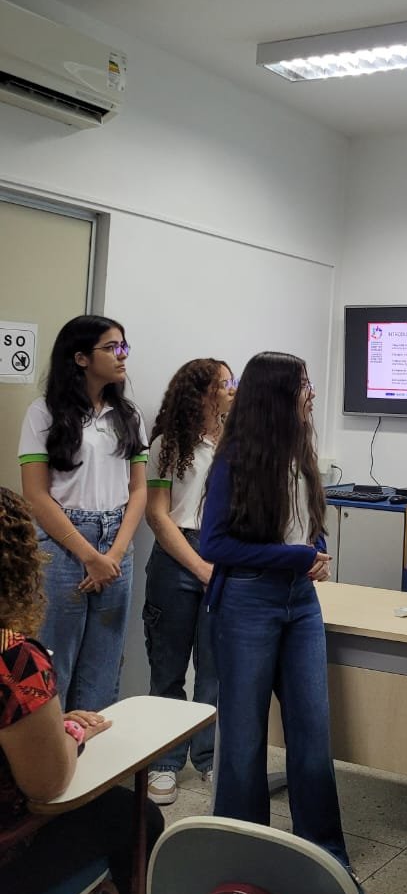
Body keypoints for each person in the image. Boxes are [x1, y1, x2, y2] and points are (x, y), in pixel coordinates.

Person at [0, 485, 164, 894]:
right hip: (8, 858)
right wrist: (69, 735)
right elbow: (48, 785)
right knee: (136, 817)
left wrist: (43, 723)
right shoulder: (14, 663)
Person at [199, 351, 347, 864]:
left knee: (313, 733)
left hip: (300, 602)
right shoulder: (235, 458)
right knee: (243, 739)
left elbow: (306, 524)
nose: (312, 393)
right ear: (277, 395)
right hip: (247, 600)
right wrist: (296, 556)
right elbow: (214, 545)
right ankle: (245, 855)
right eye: (303, 384)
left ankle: (325, 855)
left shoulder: (300, 451)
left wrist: (315, 549)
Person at [18, 315, 148, 710]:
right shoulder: (43, 413)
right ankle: (52, 746)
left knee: (104, 660)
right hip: (63, 543)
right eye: (112, 348)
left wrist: (114, 554)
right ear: (80, 358)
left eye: (124, 347)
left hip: (116, 543)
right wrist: (90, 556)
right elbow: (36, 496)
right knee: (55, 657)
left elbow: (138, 490)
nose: (122, 355)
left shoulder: (128, 415)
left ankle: (94, 745)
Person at [142, 357, 236, 805]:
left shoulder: (237, 441)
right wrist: (199, 568)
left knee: (215, 671)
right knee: (168, 668)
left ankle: (210, 757)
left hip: (224, 554)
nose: (232, 389)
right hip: (177, 557)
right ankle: (164, 763)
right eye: (225, 383)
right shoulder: (167, 444)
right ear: (202, 393)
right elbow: (157, 515)